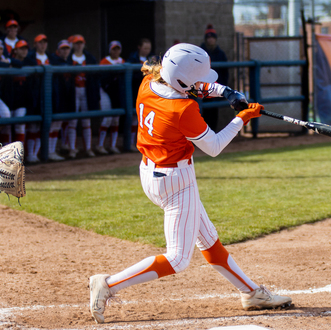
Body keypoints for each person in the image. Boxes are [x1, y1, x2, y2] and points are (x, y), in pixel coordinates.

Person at [88, 43, 292, 324]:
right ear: (182, 78)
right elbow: (215, 146)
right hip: (176, 182)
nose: (202, 83)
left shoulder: (149, 82)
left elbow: (193, 86)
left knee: (209, 240)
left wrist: (227, 93)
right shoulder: (182, 110)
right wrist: (242, 118)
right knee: (178, 259)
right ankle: (108, 284)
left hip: (151, 173)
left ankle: (251, 292)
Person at [65, 34, 100, 158]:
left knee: (86, 120)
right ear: (73, 45)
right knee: (73, 121)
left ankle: (88, 148)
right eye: (76, 43)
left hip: (86, 90)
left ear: (84, 44)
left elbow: (95, 74)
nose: (79, 45)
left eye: (81, 43)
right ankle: (72, 149)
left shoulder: (89, 57)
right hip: (73, 91)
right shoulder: (69, 57)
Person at [127, 38, 159, 152]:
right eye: (145, 48)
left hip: (149, 93)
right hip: (135, 91)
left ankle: (146, 142)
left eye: (148, 48)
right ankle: (130, 143)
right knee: (134, 118)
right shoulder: (132, 58)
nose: (147, 50)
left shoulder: (152, 58)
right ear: (139, 47)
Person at [199, 24, 229, 132]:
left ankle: (212, 134)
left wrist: (222, 87)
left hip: (215, 88)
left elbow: (225, 72)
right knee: (202, 113)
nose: (210, 40)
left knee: (214, 113)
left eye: (212, 38)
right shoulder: (200, 52)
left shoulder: (220, 54)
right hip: (202, 89)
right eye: (208, 38)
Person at [95, 40, 123, 155]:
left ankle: (112, 145)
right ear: (110, 50)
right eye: (113, 49)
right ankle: (100, 145)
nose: (115, 51)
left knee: (116, 119)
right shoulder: (104, 61)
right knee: (107, 118)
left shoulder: (122, 61)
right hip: (105, 91)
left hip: (117, 93)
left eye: (117, 49)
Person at [52, 40, 74, 159]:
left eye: (67, 49)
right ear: (58, 50)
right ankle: (49, 151)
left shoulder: (69, 61)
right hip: (55, 97)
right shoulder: (54, 60)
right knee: (54, 124)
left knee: (59, 124)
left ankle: (53, 150)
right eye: (63, 49)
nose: (65, 51)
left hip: (65, 96)